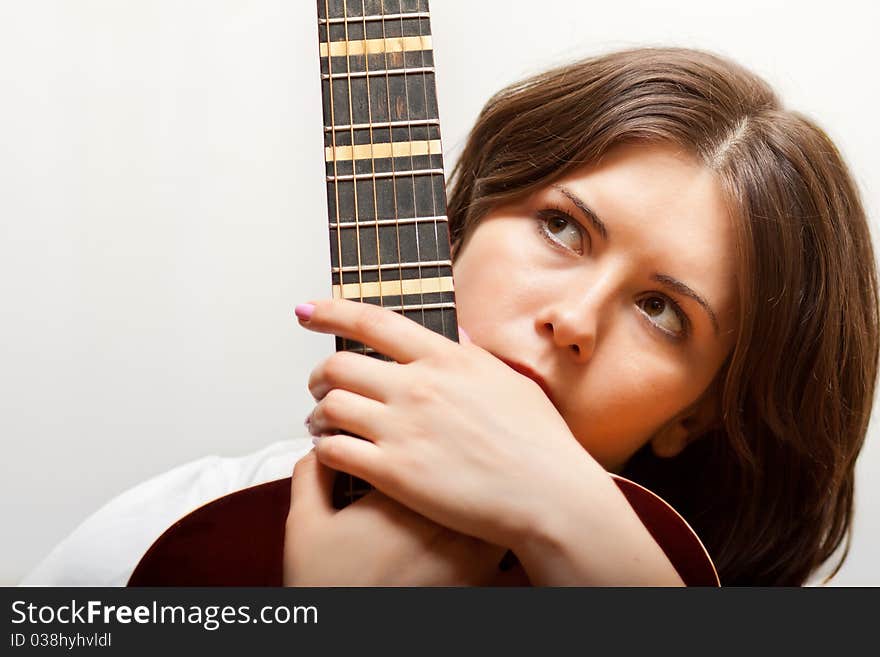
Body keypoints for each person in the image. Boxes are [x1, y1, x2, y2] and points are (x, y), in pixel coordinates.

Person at [24, 47, 878, 587]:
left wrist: (564, 510)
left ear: (687, 417)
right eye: (561, 226)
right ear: (459, 226)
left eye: (661, 310)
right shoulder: (160, 537)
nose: (572, 318)